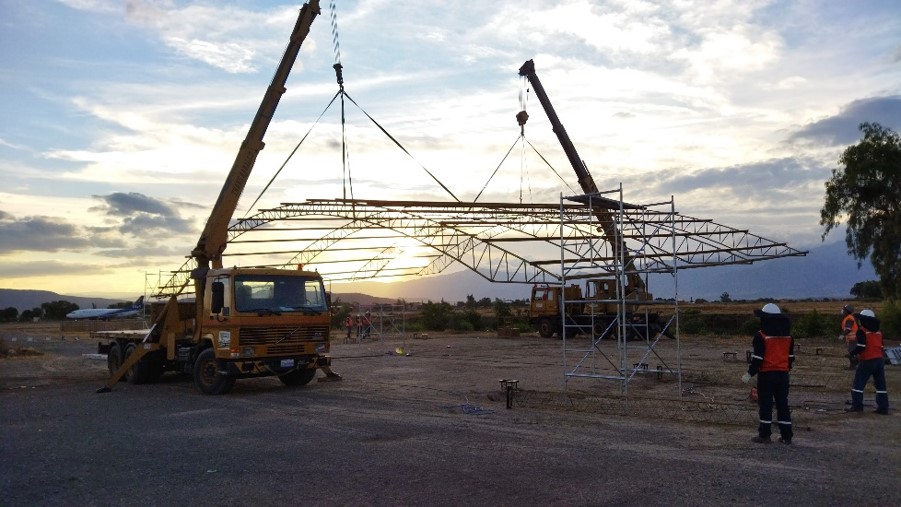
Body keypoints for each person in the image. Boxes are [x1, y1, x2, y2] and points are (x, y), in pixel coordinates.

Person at [742, 303, 794, 444]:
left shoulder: (761, 336)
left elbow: (757, 359)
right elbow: (790, 358)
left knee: (765, 405)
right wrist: (785, 369)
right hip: (783, 375)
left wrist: (748, 374)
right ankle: (786, 436)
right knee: (783, 405)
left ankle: (764, 435)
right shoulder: (788, 336)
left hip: (766, 375)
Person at [845, 309, 890, 414]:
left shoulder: (862, 331)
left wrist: (852, 353)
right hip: (879, 360)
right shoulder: (878, 332)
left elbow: (861, 346)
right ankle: (883, 408)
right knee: (880, 385)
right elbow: (881, 346)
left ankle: (857, 406)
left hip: (867, 361)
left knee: (858, 384)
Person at [839, 305, 859, 369]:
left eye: (844, 310)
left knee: (851, 352)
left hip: (853, 338)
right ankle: (854, 365)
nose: (842, 311)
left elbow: (848, 329)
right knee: (852, 352)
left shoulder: (849, 319)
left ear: (847, 311)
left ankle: (853, 366)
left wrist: (842, 335)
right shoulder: (849, 317)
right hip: (853, 338)